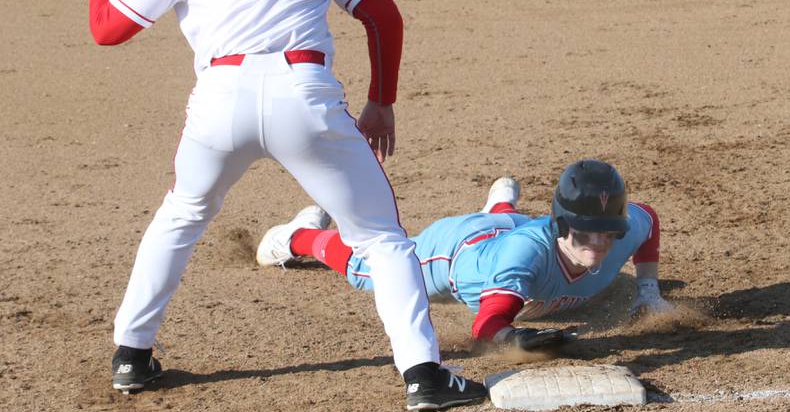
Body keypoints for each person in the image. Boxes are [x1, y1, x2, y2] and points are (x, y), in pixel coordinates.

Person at [83, 0, 486, 412]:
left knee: (182, 215)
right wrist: (382, 100)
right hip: (306, 95)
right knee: (380, 237)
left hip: (220, 101)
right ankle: (424, 375)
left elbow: (107, 30)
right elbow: (383, 16)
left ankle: (131, 356)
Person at [257, 159, 673, 350]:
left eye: (607, 234)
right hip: (455, 252)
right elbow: (486, 324)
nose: (600, 245)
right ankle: (299, 236)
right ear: (563, 226)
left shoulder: (619, 232)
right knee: (368, 270)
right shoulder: (522, 259)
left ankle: (500, 208)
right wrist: (518, 342)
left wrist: (648, 292)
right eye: (587, 235)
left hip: (511, 231)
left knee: (509, 226)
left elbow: (648, 218)